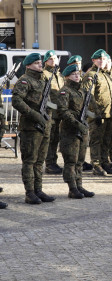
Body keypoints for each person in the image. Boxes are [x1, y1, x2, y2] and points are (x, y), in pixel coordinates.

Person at [11, 52, 58, 204]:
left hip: (44, 125)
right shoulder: (25, 81)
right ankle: (30, 192)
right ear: (29, 65)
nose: (40, 65)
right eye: (37, 63)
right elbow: (17, 101)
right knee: (30, 161)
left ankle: (38, 189)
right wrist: (34, 114)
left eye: (40, 62)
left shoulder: (43, 80)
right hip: (30, 127)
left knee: (40, 161)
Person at [56, 64, 95, 199]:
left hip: (82, 129)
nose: (77, 76)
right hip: (70, 130)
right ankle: (72, 188)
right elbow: (63, 111)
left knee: (80, 160)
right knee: (71, 161)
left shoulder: (82, 91)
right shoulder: (64, 91)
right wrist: (77, 124)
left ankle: (79, 185)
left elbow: (88, 109)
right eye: (74, 74)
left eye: (78, 74)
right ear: (67, 76)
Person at [86, 50, 112, 176]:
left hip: (109, 114)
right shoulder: (91, 75)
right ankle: (96, 165)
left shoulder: (106, 75)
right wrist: (95, 112)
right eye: (98, 59)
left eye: (103, 59)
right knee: (96, 141)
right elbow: (88, 95)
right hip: (97, 115)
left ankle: (105, 162)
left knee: (106, 140)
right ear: (93, 61)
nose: (101, 61)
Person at [42, 50, 66, 175]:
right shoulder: (44, 74)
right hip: (49, 112)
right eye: (50, 58)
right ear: (46, 61)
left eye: (55, 58)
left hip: (59, 112)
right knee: (50, 139)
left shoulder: (60, 76)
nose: (53, 60)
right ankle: (49, 164)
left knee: (56, 138)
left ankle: (54, 162)